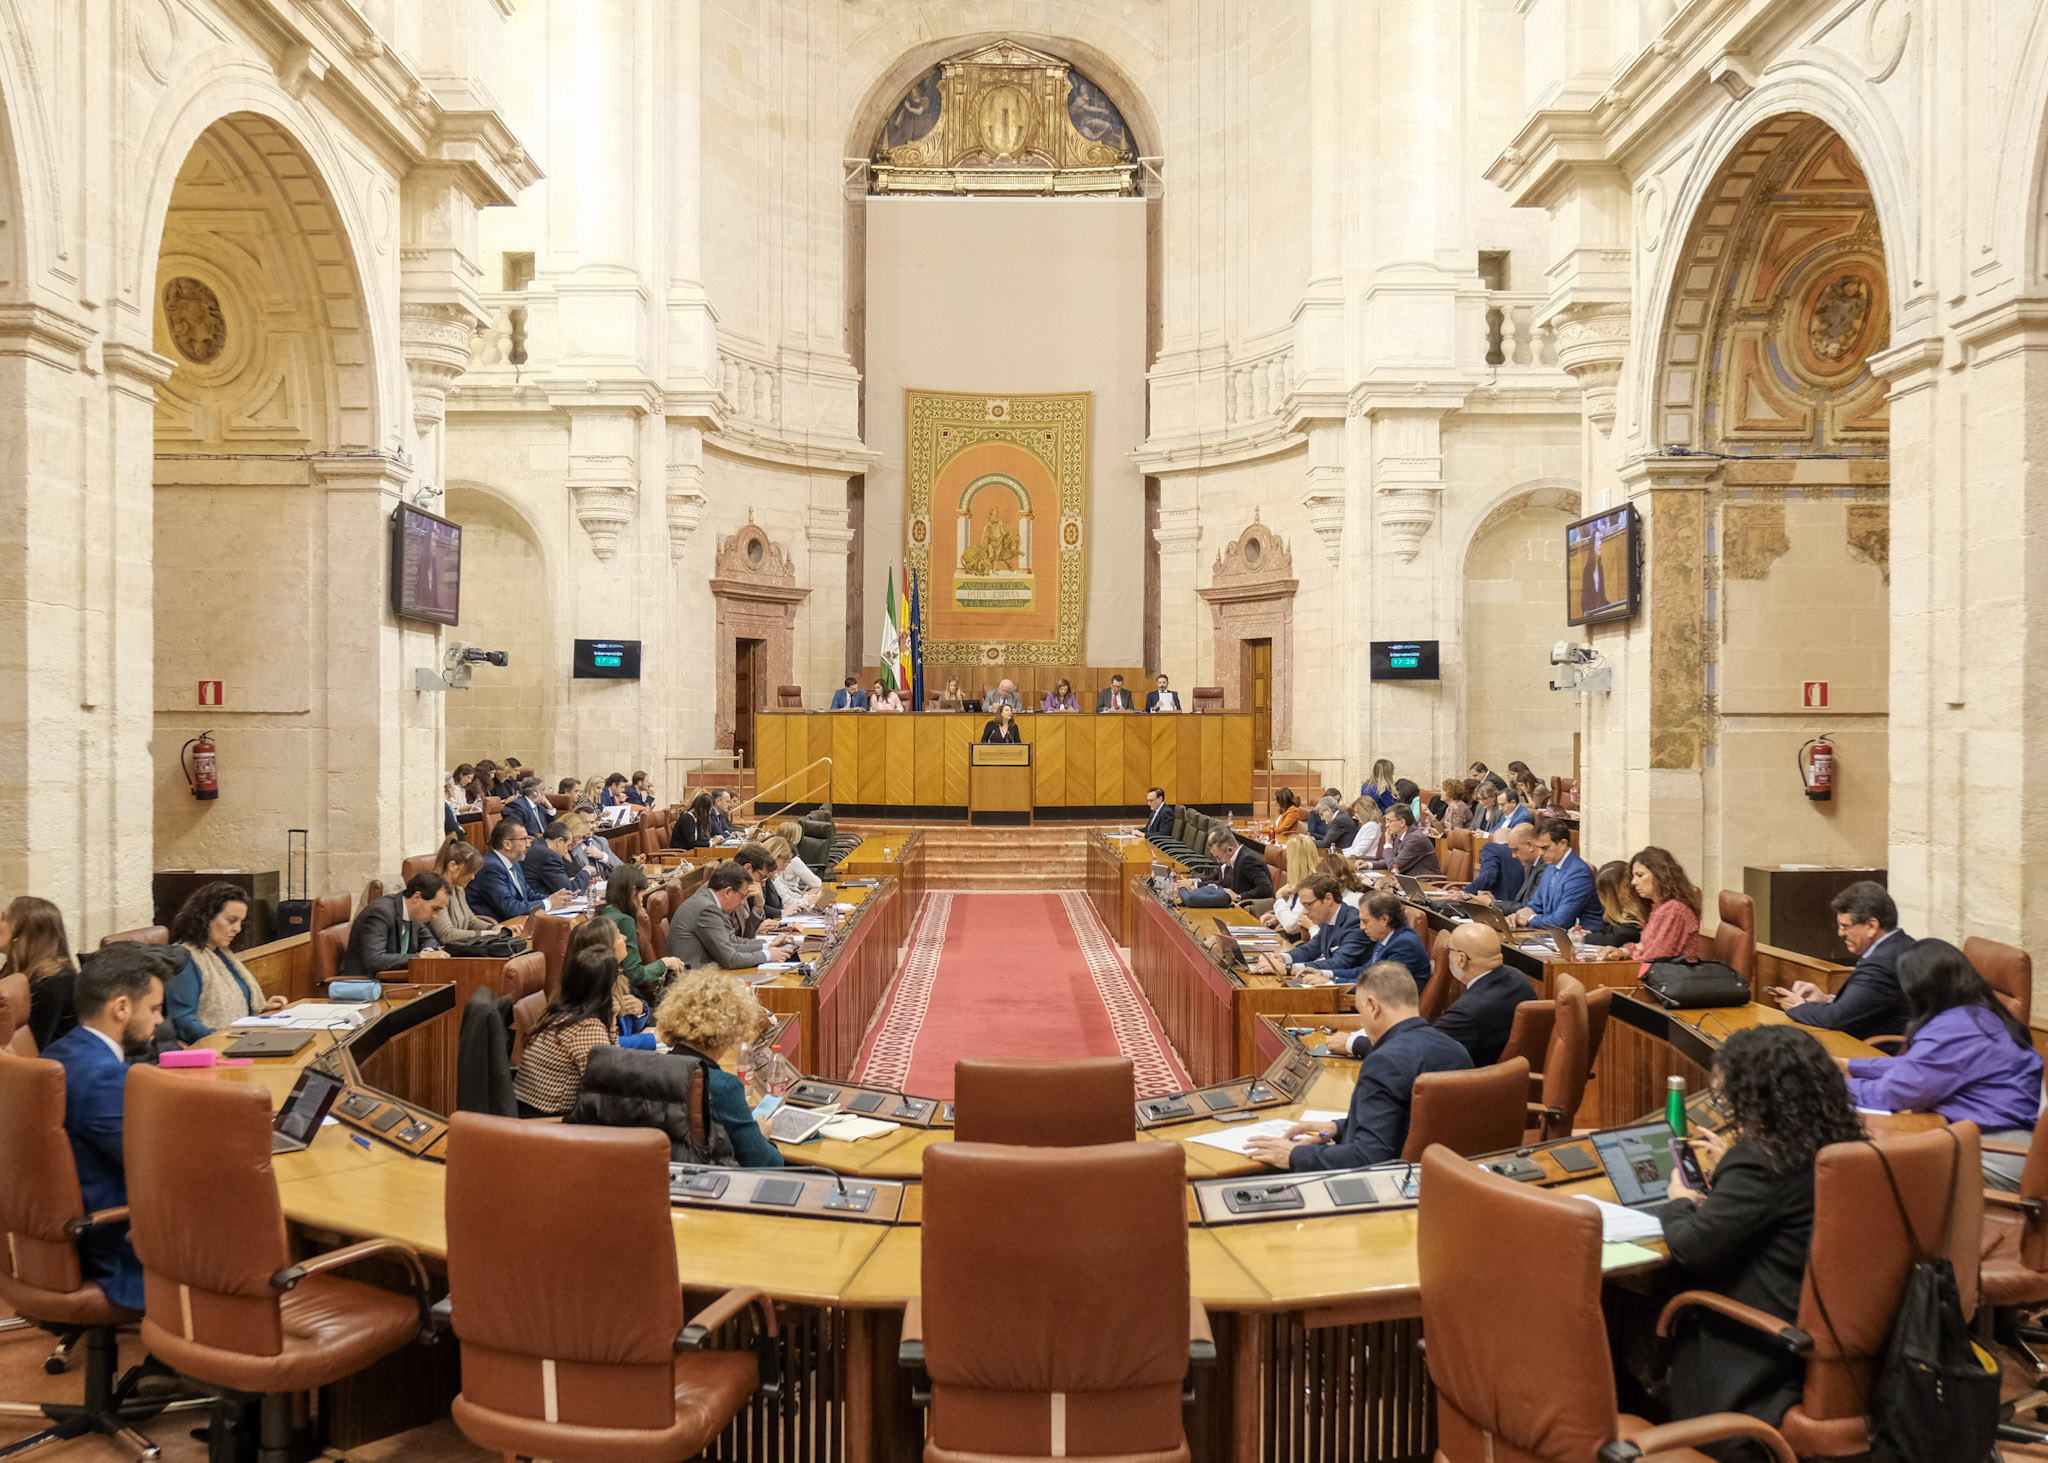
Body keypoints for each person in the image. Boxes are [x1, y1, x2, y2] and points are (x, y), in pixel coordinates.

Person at [1655, 1025, 1864, 1447]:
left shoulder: (1760, 1162)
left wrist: (1680, 1198)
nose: (1729, 1107)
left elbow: (1692, 1249)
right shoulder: (1840, 1142)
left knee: (1645, 1294)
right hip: (1830, 1328)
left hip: (1759, 1342)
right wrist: (1728, 1167)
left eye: (1728, 1098)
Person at [1840, 939, 2043, 1188]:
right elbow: (1917, 1068)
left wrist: (1825, 1085)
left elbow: (1893, 1092)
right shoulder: (1978, 1012)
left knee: (1873, 1172)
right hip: (1996, 1141)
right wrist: (1849, 1066)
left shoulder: (1957, 1028)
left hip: (1996, 1153)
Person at [42, 944, 176, 1309]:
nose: (160, 1021)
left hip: (55, 1241)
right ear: (121, 1007)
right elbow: (159, 1170)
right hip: (112, 1250)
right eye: (154, 1009)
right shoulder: (105, 1078)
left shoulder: (58, 1053)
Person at [1244, 962, 1470, 1170]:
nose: (1362, 1023)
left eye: (1361, 1014)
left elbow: (1368, 1158)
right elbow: (1412, 1125)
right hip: (1438, 1178)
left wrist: (1294, 1154)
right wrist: (1338, 1128)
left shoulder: (1384, 1061)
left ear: (1372, 1006)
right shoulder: (1457, 1051)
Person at [654, 970, 785, 1168]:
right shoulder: (723, 1086)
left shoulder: (653, 1068)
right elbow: (766, 1162)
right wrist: (761, 1134)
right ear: (734, 1027)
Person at [1771, 881, 1910, 1039]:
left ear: (1871, 925)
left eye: (1845, 926)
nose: (1840, 933)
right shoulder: (1902, 944)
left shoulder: (1882, 964)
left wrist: (1799, 1007)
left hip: (1877, 1053)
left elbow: (1837, 1018)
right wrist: (1826, 999)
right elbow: (1865, 1004)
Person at [164, 881, 286, 1041]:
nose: (238, 929)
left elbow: (236, 1005)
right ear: (205, 917)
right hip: (213, 1050)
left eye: (241, 922)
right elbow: (182, 1021)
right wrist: (224, 1039)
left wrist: (262, 1009)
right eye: (231, 920)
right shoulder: (184, 958)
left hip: (237, 1043)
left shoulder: (221, 954)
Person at [513, 943, 621, 1118]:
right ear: (607, 986)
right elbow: (609, 1085)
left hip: (527, 1112)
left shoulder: (558, 1012)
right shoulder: (586, 1027)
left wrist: (611, 1026)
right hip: (549, 1122)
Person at [1426, 924, 1536, 1066]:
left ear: (1461, 959)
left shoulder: (1467, 1012)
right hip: (1512, 1077)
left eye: (1449, 949)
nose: (1447, 955)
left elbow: (1425, 1048)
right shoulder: (1518, 978)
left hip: (1474, 1081)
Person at [665, 862, 796, 969]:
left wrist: (768, 946)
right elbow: (730, 959)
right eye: (742, 897)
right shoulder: (707, 909)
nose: (742, 902)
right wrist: (767, 955)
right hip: (690, 984)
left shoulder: (708, 901)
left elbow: (730, 942)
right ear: (728, 892)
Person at [1592, 846, 1700, 964]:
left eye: (1640, 875)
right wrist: (1622, 951)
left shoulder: (1673, 910)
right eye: (1633, 876)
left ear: (1660, 875)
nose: (1633, 882)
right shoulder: (1659, 907)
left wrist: (1628, 952)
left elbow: (1655, 957)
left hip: (1667, 977)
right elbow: (1644, 946)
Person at [601, 864, 689, 1002]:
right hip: (628, 999)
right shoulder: (624, 921)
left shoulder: (602, 912)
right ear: (633, 892)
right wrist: (664, 963)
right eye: (642, 894)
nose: (642, 901)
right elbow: (633, 974)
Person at [1257, 876, 1368, 978]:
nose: (1304, 912)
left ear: (1328, 899)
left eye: (1308, 905)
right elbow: (1310, 949)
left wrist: (1288, 968)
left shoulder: (1355, 923)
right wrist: (1281, 958)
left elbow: (1339, 963)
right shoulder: (1327, 918)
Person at [341, 873, 451, 977]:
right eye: (435, 909)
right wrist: (420, 957)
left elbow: (428, 939)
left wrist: (429, 952)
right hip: (366, 984)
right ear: (417, 897)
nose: (436, 916)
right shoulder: (380, 912)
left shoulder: (413, 913)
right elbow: (374, 960)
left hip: (394, 979)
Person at [6, 894, 79, 1050]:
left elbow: (33, 1046)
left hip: (57, 1066)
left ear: (23, 933)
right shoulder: (14, 967)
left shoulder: (53, 982)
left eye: (3, 918)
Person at [470, 817, 574, 922]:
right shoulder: (491, 867)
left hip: (518, 922)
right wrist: (549, 903)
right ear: (507, 844)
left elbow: (528, 895)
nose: (528, 844)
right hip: (499, 927)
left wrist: (555, 898)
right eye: (524, 839)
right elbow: (510, 908)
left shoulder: (514, 863)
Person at [1509, 818, 1601, 930]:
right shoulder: (1550, 867)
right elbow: (1535, 905)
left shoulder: (1579, 874)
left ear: (1563, 844)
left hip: (1582, 940)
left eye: (1545, 848)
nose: (1541, 853)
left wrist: (1531, 918)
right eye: (1539, 848)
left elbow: (1560, 921)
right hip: (1552, 935)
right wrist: (1519, 916)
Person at [428, 837, 515, 943]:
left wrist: (497, 928)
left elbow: (471, 921)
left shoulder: (458, 889)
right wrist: (487, 934)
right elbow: (447, 935)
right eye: (470, 871)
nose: (473, 877)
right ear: (453, 866)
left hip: (462, 946)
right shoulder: (436, 891)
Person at [1336, 892, 1432, 989]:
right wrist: (1326, 974)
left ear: (1385, 919)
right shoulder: (1386, 936)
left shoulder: (1405, 945)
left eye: (1365, 921)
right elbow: (1365, 972)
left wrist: (1331, 983)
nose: (1362, 927)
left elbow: (1377, 986)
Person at [1464, 822, 1542, 909]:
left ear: (1530, 845)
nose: (1513, 855)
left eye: (1516, 850)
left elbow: (1528, 908)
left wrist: (1491, 903)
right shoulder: (1532, 866)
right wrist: (1495, 901)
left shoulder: (1543, 868)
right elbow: (1521, 903)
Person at [1261, 834, 1324, 934]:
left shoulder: (1310, 887)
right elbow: (1293, 916)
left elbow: (1291, 927)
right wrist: (1278, 918)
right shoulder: (1300, 883)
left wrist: (1279, 898)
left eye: (1288, 857)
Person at [1364, 803, 1440, 877]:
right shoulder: (1401, 836)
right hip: (1409, 882)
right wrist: (1368, 865)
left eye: (1389, 821)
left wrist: (1388, 843)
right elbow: (1391, 860)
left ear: (1402, 822)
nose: (1386, 825)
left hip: (1425, 884)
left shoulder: (1415, 839)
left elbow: (1394, 867)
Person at [1584, 859, 1647, 949]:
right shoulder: (1621, 911)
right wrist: (1589, 933)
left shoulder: (1636, 912)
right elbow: (1610, 930)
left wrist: (1584, 938)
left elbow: (1618, 939)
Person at [1204, 828, 1274, 904]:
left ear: (1229, 850)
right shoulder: (1234, 858)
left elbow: (1266, 888)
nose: (1218, 861)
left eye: (1218, 857)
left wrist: (1239, 897)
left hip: (1252, 909)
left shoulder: (1247, 860)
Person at [524, 820, 588, 897]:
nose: (566, 851)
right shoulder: (548, 855)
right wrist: (587, 871)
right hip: (540, 901)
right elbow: (569, 890)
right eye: (567, 846)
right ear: (559, 841)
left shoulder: (536, 844)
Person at [769, 821, 824, 905]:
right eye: (785, 862)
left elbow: (786, 894)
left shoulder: (777, 873)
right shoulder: (771, 873)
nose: (786, 865)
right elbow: (785, 900)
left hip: (793, 898)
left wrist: (804, 897)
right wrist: (804, 900)